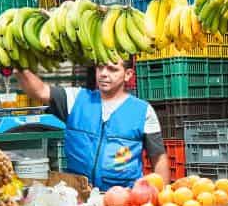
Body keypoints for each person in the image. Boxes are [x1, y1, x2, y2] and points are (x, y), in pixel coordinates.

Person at [18, 60, 169, 190]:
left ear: (128, 74)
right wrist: (18, 67)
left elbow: (158, 158)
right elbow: (40, 91)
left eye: (112, 69)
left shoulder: (142, 111)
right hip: (77, 195)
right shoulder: (76, 99)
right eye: (100, 67)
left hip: (122, 197)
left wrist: (162, 198)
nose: (103, 74)